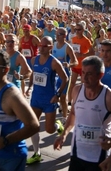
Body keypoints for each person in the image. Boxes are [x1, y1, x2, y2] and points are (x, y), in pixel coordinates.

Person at [54, 56, 111, 170]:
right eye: (83, 73)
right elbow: (73, 114)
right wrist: (64, 134)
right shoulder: (76, 90)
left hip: (99, 157)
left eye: (89, 74)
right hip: (77, 153)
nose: (84, 78)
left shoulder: (109, 97)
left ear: (100, 75)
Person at [25, 36, 68, 165]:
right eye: (40, 45)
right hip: (36, 98)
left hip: (49, 99)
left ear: (50, 47)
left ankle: (57, 125)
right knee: (33, 126)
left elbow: (65, 79)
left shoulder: (54, 62)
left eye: (44, 46)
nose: (41, 48)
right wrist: (29, 87)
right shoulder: (34, 59)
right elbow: (34, 73)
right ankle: (37, 153)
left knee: (49, 129)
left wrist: (58, 94)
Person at [52, 27, 78, 121]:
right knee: (54, 95)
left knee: (63, 97)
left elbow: (76, 62)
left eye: (59, 34)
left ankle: (64, 117)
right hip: (54, 75)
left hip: (65, 75)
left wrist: (69, 64)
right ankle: (59, 108)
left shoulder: (68, 48)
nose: (57, 36)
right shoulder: (53, 45)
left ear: (64, 36)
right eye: (56, 34)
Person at [68, 22, 95, 105]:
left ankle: (83, 101)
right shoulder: (74, 39)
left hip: (83, 66)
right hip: (75, 65)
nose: (77, 31)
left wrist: (82, 55)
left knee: (84, 84)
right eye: (76, 29)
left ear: (83, 30)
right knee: (72, 83)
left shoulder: (86, 40)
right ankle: (69, 101)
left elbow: (92, 52)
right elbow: (72, 50)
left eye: (79, 30)